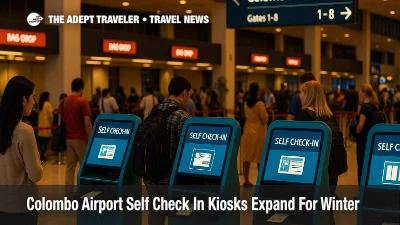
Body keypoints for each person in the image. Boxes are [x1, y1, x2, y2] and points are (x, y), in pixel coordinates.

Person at [144, 77, 191, 225]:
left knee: (155, 214)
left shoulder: (154, 111)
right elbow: (186, 151)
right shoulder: (182, 117)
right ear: (184, 92)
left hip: (150, 175)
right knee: (178, 216)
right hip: (170, 180)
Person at [294, 80, 341, 225]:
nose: (299, 95)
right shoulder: (329, 116)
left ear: (309, 95)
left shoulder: (303, 115)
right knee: (326, 211)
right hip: (331, 171)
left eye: (301, 92)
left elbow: (299, 146)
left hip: (311, 173)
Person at [0, 76, 43, 225]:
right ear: (23, 100)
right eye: (33, 97)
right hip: (22, 206)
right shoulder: (25, 131)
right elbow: (35, 174)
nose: (34, 102)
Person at [58, 78, 92, 186]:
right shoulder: (82, 101)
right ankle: (86, 191)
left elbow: (60, 121)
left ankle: (68, 195)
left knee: (70, 167)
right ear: (81, 88)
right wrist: (90, 138)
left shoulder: (63, 102)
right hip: (81, 139)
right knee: (85, 167)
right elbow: (87, 123)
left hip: (68, 139)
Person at [240, 82, 268, 186]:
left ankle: (246, 180)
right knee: (259, 157)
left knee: (246, 157)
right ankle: (261, 180)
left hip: (247, 131)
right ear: (257, 91)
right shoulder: (260, 104)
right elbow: (265, 119)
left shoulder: (246, 103)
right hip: (258, 133)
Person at [355, 84, 380, 185]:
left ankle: (362, 192)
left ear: (364, 93)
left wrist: (355, 132)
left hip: (363, 140)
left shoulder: (364, 108)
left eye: (360, 92)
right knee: (370, 165)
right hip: (372, 139)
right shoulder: (375, 105)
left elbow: (361, 124)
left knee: (362, 166)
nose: (358, 94)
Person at [37, 91, 54, 163]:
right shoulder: (47, 104)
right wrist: (52, 122)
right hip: (46, 126)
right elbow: (51, 115)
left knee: (41, 142)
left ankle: (40, 155)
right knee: (45, 142)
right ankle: (42, 156)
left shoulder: (41, 104)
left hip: (40, 126)